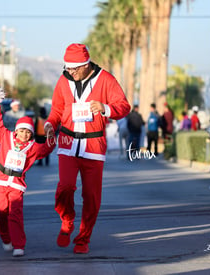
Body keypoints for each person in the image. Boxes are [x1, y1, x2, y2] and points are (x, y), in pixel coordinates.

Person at [44, 43, 130, 254]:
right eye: (67, 68)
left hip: (93, 145)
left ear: (85, 65)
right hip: (66, 142)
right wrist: (50, 124)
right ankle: (67, 220)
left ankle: (83, 238)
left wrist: (106, 108)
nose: (69, 72)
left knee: (91, 196)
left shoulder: (106, 79)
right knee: (65, 187)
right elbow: (57, 109)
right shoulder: (64, 79)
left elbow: (124, 106)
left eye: (73, 68)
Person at [0, 105, 55, 257]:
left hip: (17, 185)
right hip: (1, 181)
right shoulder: (5, 137)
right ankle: (6, 238)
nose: (25, 135)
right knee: (2, 212)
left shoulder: (33, 147)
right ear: (16, 130)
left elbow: (46, 148)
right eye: (22, 131)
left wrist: (51, 136)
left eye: (28, 132)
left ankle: (19, 245)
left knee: (15, 213)